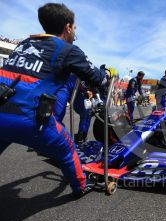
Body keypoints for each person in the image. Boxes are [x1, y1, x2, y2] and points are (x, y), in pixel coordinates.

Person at [0, 3, 108, 197]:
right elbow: (96, 78)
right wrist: (106, 73)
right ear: (67, 27)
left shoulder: (24, 44)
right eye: (74, 28)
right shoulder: (68, 50)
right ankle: (81, 187)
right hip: (30, 120)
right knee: (68, 150)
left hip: (1, 112)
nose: (75, 32)